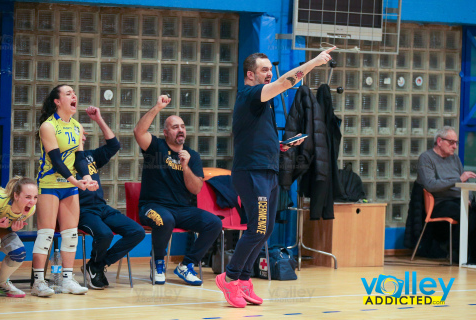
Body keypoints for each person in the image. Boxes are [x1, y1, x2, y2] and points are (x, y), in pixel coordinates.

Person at [215, 48, 336, 308]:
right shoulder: (250, 94)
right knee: (257, 228)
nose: (270, 74)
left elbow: (254, 135)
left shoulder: (263, 101)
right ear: (250, 74)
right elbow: (285, 82)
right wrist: (315, 62)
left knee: (266, 229)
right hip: (251, 173)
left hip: (267, 170)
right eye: (264, 70)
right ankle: (230, 277)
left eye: (271, 69)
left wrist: (279, 145)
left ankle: (244, 280)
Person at [134, 95, 222, 286]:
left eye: (182, 126)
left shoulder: (193, 156)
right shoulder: (155, 147)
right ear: (166, 132)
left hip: (182, 209)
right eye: (175, 127)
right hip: (152, 207)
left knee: (214, 223)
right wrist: (157, 107)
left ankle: (187, 265)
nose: (180, 129)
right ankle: (158, 262)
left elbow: (196, 189)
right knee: (165, 219)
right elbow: (139, 132)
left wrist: (185, 165)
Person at [32, 84, 99, 297]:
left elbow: (79, 158)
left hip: (70, 186)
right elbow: (56, 160)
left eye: (74, 93)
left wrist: (86, 178)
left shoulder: (77, 126)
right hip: (49, 184)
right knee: (46, 234)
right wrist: (75, 181)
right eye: (68, 93)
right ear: (57, 101)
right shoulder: (48, 126)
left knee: (71, 234)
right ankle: (38, 282)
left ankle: (67, 280)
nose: (74, 96)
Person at [77, 106, 145, 289]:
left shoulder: (90, 156)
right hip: (81, 211)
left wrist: (98, 119)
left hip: (101, 207)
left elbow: (114, 145)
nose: (83, 138)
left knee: (137, 232)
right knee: (105, 234)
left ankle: (97, 264)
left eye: (83, 135)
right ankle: (96, 266)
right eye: (79, 134)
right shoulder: (61, 160)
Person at [416, 126, 476, 262]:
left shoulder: (455, 159)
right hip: (440, 202)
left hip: (459, 199)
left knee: (472, 210)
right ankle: (457, 250)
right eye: (451, 142)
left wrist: (470, 199)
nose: (455, 146)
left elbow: (467, 183)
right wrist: (458, 180)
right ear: (439, 141)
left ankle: (469, 254)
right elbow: (430, 184)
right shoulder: (426, 158)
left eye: (456, 143)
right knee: (467, 214)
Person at [0, 177, 38, 298]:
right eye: (28, 197)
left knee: (18, 253)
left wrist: (12, 229)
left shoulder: (30, 210)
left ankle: (0, 283)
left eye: (35, 197)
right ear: (16, 196)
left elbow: (4, 229)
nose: (32, 202)